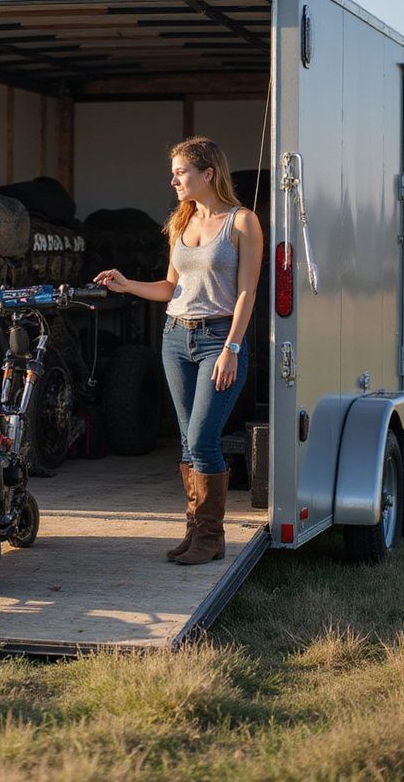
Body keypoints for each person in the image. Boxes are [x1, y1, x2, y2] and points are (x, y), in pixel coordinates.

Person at [94, 136, 263, 564]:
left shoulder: (242, 223)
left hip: (218, 340)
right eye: (173, 172)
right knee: (187, 444)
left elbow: (247, 293)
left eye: (181, 171)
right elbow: (171, 287)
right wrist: (127, 283)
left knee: (204, 438)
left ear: (208, 173)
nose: (173, 180)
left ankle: (212, 539)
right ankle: (195, 534)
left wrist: (232, 348)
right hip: (175, 337)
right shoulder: (181, 222)